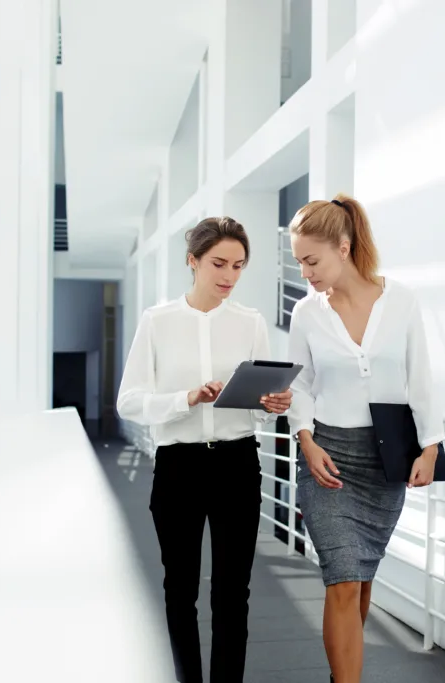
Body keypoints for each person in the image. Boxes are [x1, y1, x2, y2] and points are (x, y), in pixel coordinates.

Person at [117, 216, 293, 683]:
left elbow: (259, 411)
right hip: (179, 466)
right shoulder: (157, 322)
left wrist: (272, 404)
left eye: (238, 265)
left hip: (238, 464)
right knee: (180, 590)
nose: (229, 276)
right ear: (192, 261)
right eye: (219, 263)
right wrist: (187, 398)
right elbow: (129, 402)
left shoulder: (251, 323)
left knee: (234, 592)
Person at [286, 195, 445, 683]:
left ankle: (342, 675)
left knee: (362, 578)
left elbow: (420, 378)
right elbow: (300, 385)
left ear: (343, 246)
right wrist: (306, 441)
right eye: (298, 262)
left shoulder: (402, 301)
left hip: (385, 461)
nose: (305, 273)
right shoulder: (307, 314)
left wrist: (431, 447)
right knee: (342, 579)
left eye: (312, 261)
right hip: (327, 460)